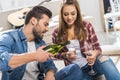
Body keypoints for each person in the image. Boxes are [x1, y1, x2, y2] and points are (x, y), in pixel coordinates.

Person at [0, 6, 82, 80]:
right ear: (33, 21)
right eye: (45, 24)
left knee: (74, 69)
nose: (47, 29)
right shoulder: (9, 37)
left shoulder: (40, 43)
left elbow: (50, 65)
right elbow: (2, 61)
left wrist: (50, 74)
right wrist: (35, 56)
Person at [52, 0, 120, 80]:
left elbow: (98, 48)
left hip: (93, 65)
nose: (69, 17)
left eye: (73, 14)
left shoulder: (86, 26)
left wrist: (94, 54)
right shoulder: (56, 33)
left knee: (106, 60)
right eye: (66, 14)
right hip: (77, 71)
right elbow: (55, 54)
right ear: (61, 15)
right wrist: (66, 55)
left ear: (77, 12)